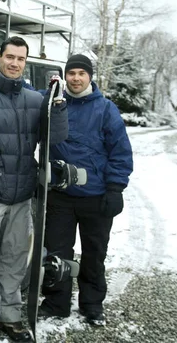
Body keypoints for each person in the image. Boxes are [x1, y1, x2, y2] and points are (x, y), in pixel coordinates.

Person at [0, 36, 68, 341]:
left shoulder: (34, 99)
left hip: (23, 194)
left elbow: (55, 136)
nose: (15, 63)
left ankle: (11, 314)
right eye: (10, 57)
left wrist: (58, 104)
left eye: (21, 59)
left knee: (14, 259)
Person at [39, 54, 133, 326]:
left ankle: (92, 304)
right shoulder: (53, 105)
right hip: (60, 195)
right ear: (65, 76)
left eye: (82, 73)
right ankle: (56, 302)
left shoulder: (105, 109)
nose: (76, 78)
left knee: (94, 254)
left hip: (96, 197)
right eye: (72, 73)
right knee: (56, 253)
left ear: (90, 76)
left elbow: (120, 152)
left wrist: (115, 188)